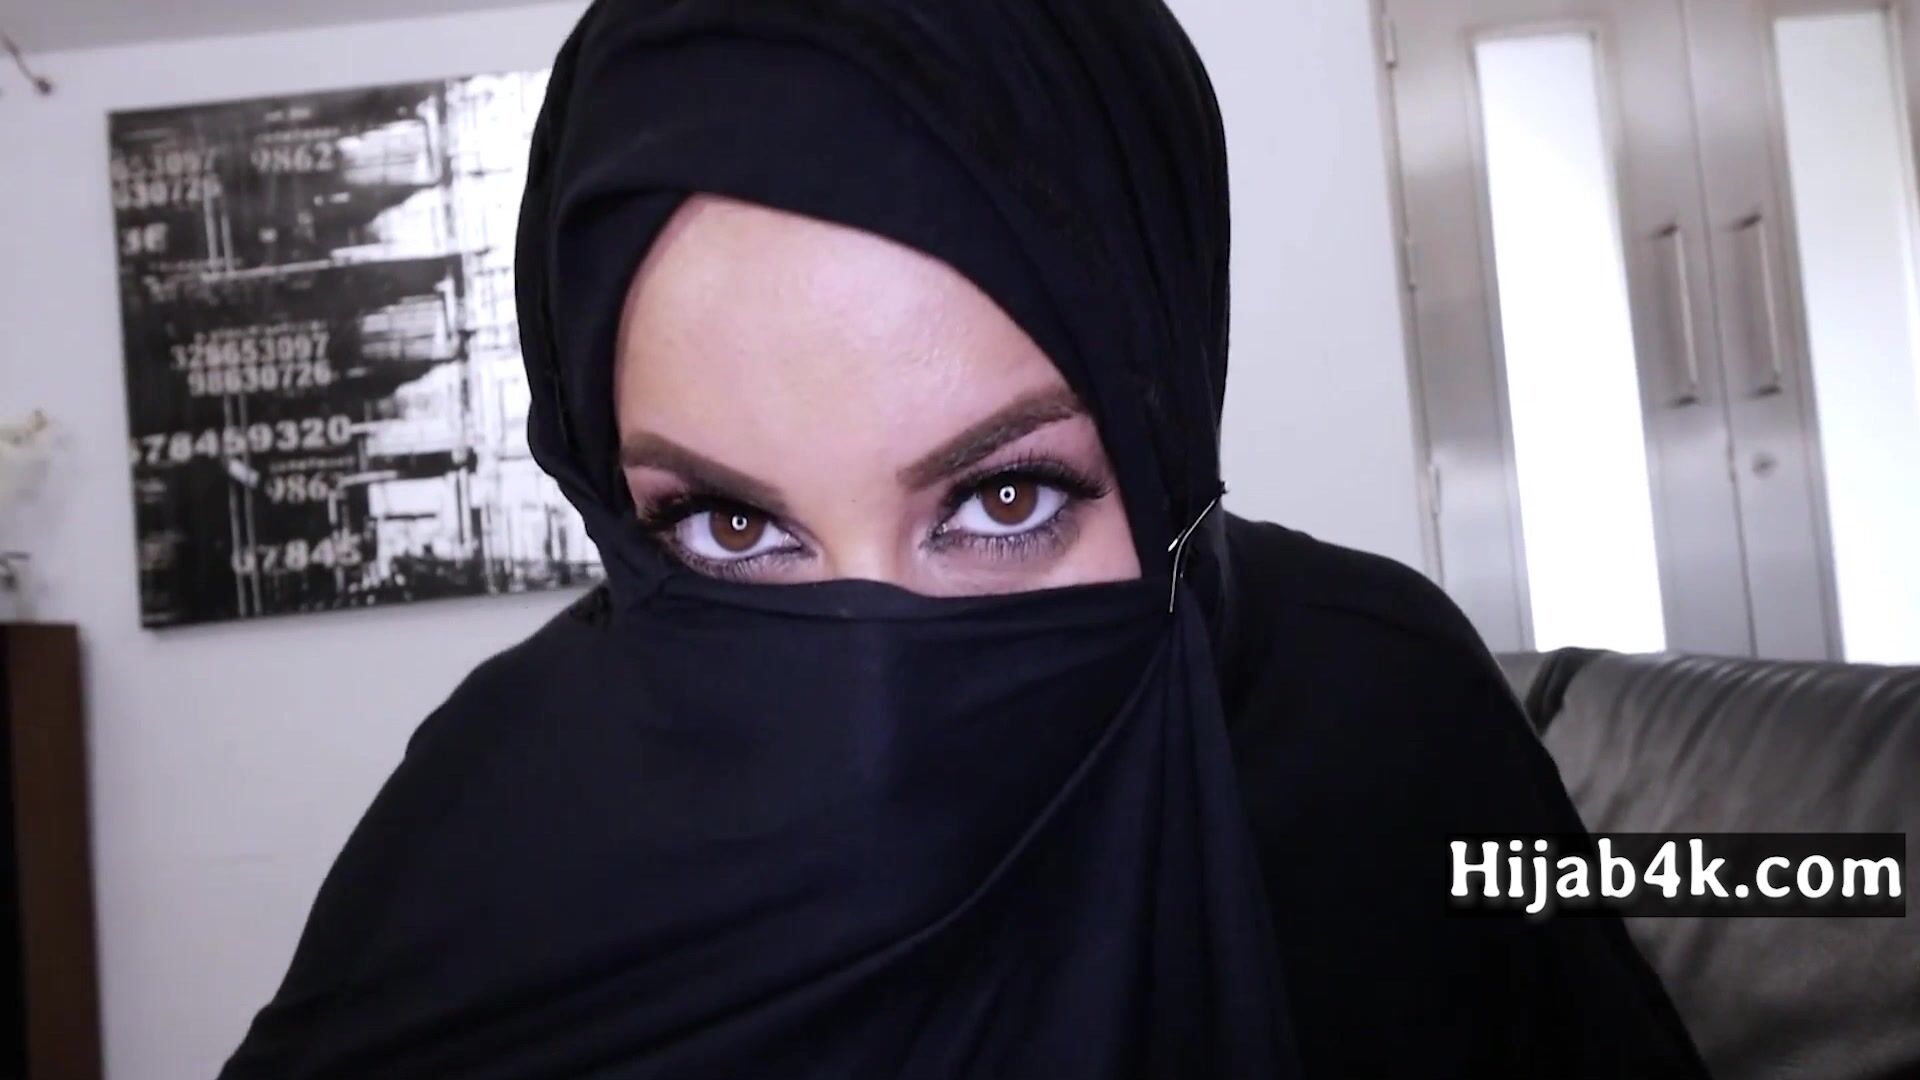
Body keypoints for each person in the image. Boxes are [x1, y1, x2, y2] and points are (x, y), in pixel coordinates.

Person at [219, 0, 1711, 1076]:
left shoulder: (1377, 701)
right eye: (732, 525)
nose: (880, 698)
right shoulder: (499, 815)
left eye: (1004, 501)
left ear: (1162, 424)